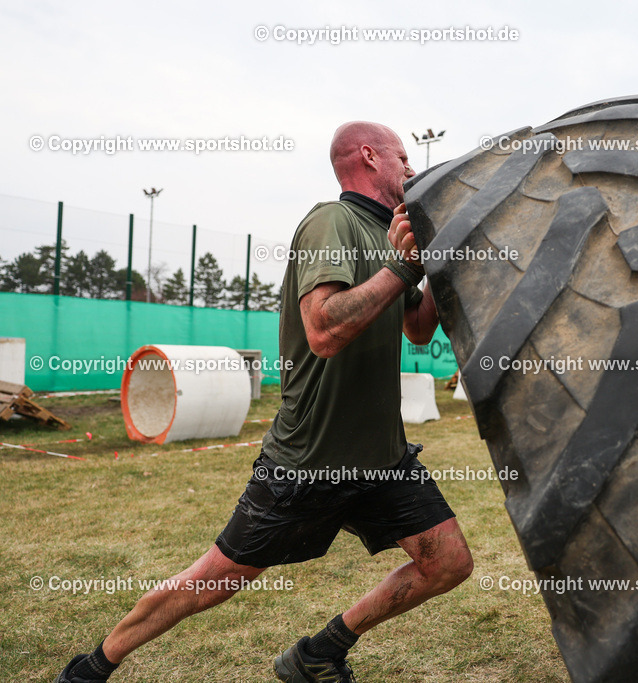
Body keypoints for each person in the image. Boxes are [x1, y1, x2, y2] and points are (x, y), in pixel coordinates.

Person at [56, 122, 473, 683]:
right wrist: (401, 269)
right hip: (307, 462)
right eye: (403, 157)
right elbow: (324, 330)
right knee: (214, 579)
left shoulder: (392, 234)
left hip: (379, 457)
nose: (412, 169)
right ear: (369, 157)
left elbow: (419, 330)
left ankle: (319, 652)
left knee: (448, 562)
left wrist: (443, 264)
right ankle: (93, 666)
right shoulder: (332, 222)